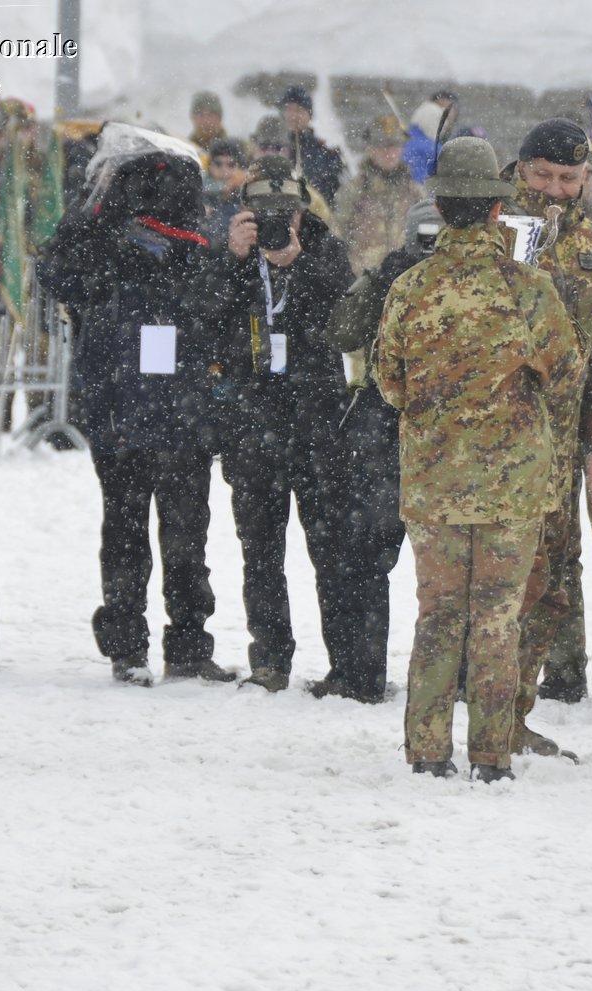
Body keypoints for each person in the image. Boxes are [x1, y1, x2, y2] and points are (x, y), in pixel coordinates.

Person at [375, 137, 578, 782]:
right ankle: (491, 755)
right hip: (512, 486)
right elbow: (567, 373)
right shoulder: (529, 289)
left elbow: (389, 382)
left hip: (434, 482)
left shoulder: (408, 288)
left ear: (439, 206)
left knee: (437, 615)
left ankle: (427, 750)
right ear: (496, 210)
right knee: (497, 617)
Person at [37, 145, 238, 687]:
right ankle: (156, 646)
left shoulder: (189, 252)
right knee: (165, 533)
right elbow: (56, 272)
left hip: (149, 413)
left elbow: (57, 271)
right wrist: (95, 220)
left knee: (159, 534)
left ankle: (167, 647)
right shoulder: (112, 244)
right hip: (144, 413)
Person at [210, 156, 355, 693]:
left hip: (316, 425)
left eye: (285, 211)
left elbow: (346, 316)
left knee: (330, 550)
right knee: (261, 552)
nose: (276, 222)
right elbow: (203, 313)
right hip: (253, 421)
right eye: (263, 211)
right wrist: (232, 257)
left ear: (301, 210)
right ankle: (269, 661)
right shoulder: (233, 252)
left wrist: (298, 265)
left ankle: (345, 663)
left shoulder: (326, 250)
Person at [502, 118, 592, 757]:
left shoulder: (591, 251)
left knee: (550, 585)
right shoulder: (483, 229)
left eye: (567, 179)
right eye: (541, 175)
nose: (552, 189)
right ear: (520, 168)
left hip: (557, 450)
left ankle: (513, 715)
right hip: (483, 443)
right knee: (491, 585)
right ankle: (480, 713)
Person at [321, 200, 442, 703]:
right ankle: (365, 674)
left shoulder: (467, 278)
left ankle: (389, 677)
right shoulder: (389, 279)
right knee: (373, 557)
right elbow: (343, 332)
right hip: (399, 430)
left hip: (425, 431)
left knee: (444, 566)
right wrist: (380, 279)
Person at [333, 115, 423, 273]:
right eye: (382, 146)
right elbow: (336, 237)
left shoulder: (415, 193)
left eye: (394, 146)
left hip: (404, 282)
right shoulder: (354, 191)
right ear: (370, 149)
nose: (389, 152)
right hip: (363, 281)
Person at [275, 85, 346, 206]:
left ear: (309, 114)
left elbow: (335, 195)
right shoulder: (271, 148)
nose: (293, 115)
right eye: (288, 109)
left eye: (299, 110)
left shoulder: (326, 154)